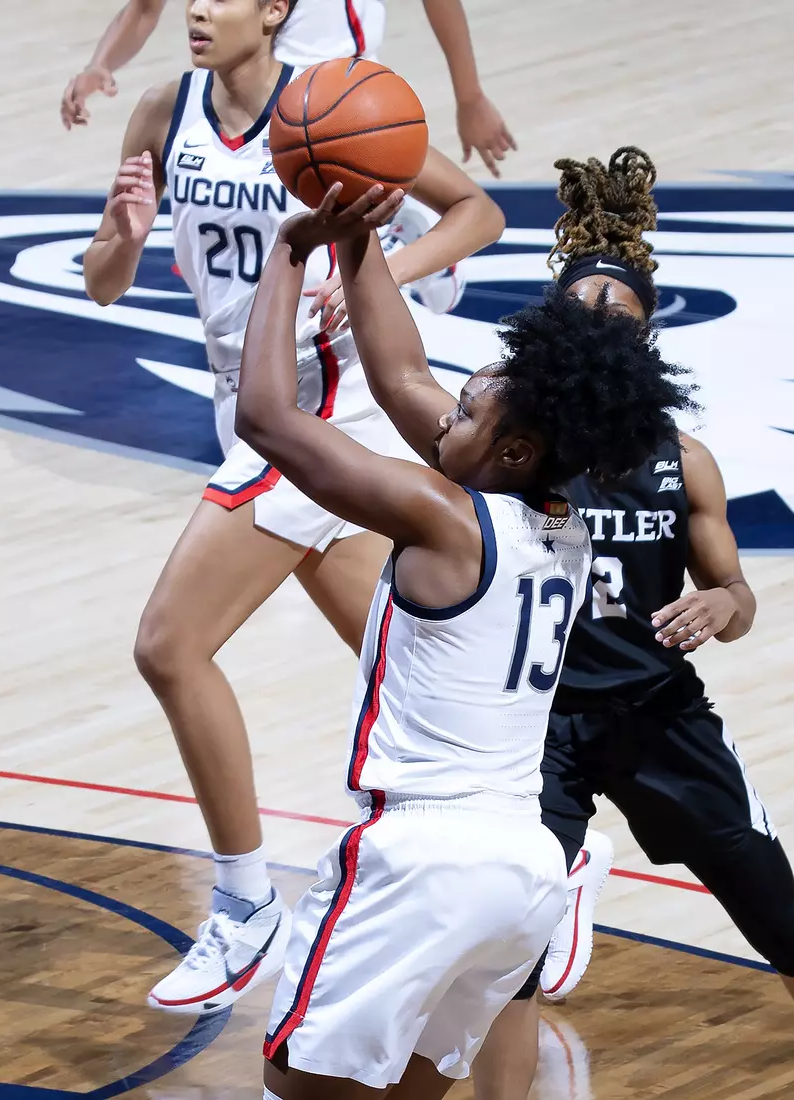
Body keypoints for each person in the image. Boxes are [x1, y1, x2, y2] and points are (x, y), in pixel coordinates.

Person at [472, 149, 794, 1100]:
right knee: (510, 946)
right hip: (538, 729)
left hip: (658, 715)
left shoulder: (686, 460)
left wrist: (724, 604)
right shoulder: (516, 448)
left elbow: (738, 598)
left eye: (619, 315)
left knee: (773, 913)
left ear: (647, 338)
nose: (600, 325)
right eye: (582, 311)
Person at [81, 0, 504, 1016]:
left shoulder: (327, 105)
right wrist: (125, 239)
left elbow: (477, 215)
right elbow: (102, 285)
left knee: (168, 642)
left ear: (276, 11)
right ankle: (550, 834)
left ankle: (244, 902)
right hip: (253, 403)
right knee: (413, 662)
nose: (196, 9)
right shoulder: (161, 112)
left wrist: (377, 276)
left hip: (322, 412)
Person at [237, 178, 692, 1100]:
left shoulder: (447, 516)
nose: (445, 413)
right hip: (522, 869)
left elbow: (265, 418)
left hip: (424, 856)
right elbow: (402, 376)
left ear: (513, 449)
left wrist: (289, 251)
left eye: (466, 412)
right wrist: (354, 244)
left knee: (300, 1086)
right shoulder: (559, 514)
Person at [60, 0, 518, 178]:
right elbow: (144, 8)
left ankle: (407, 238)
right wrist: (99, 64)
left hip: (343, 103)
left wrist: (469, 96)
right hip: (253, 104)